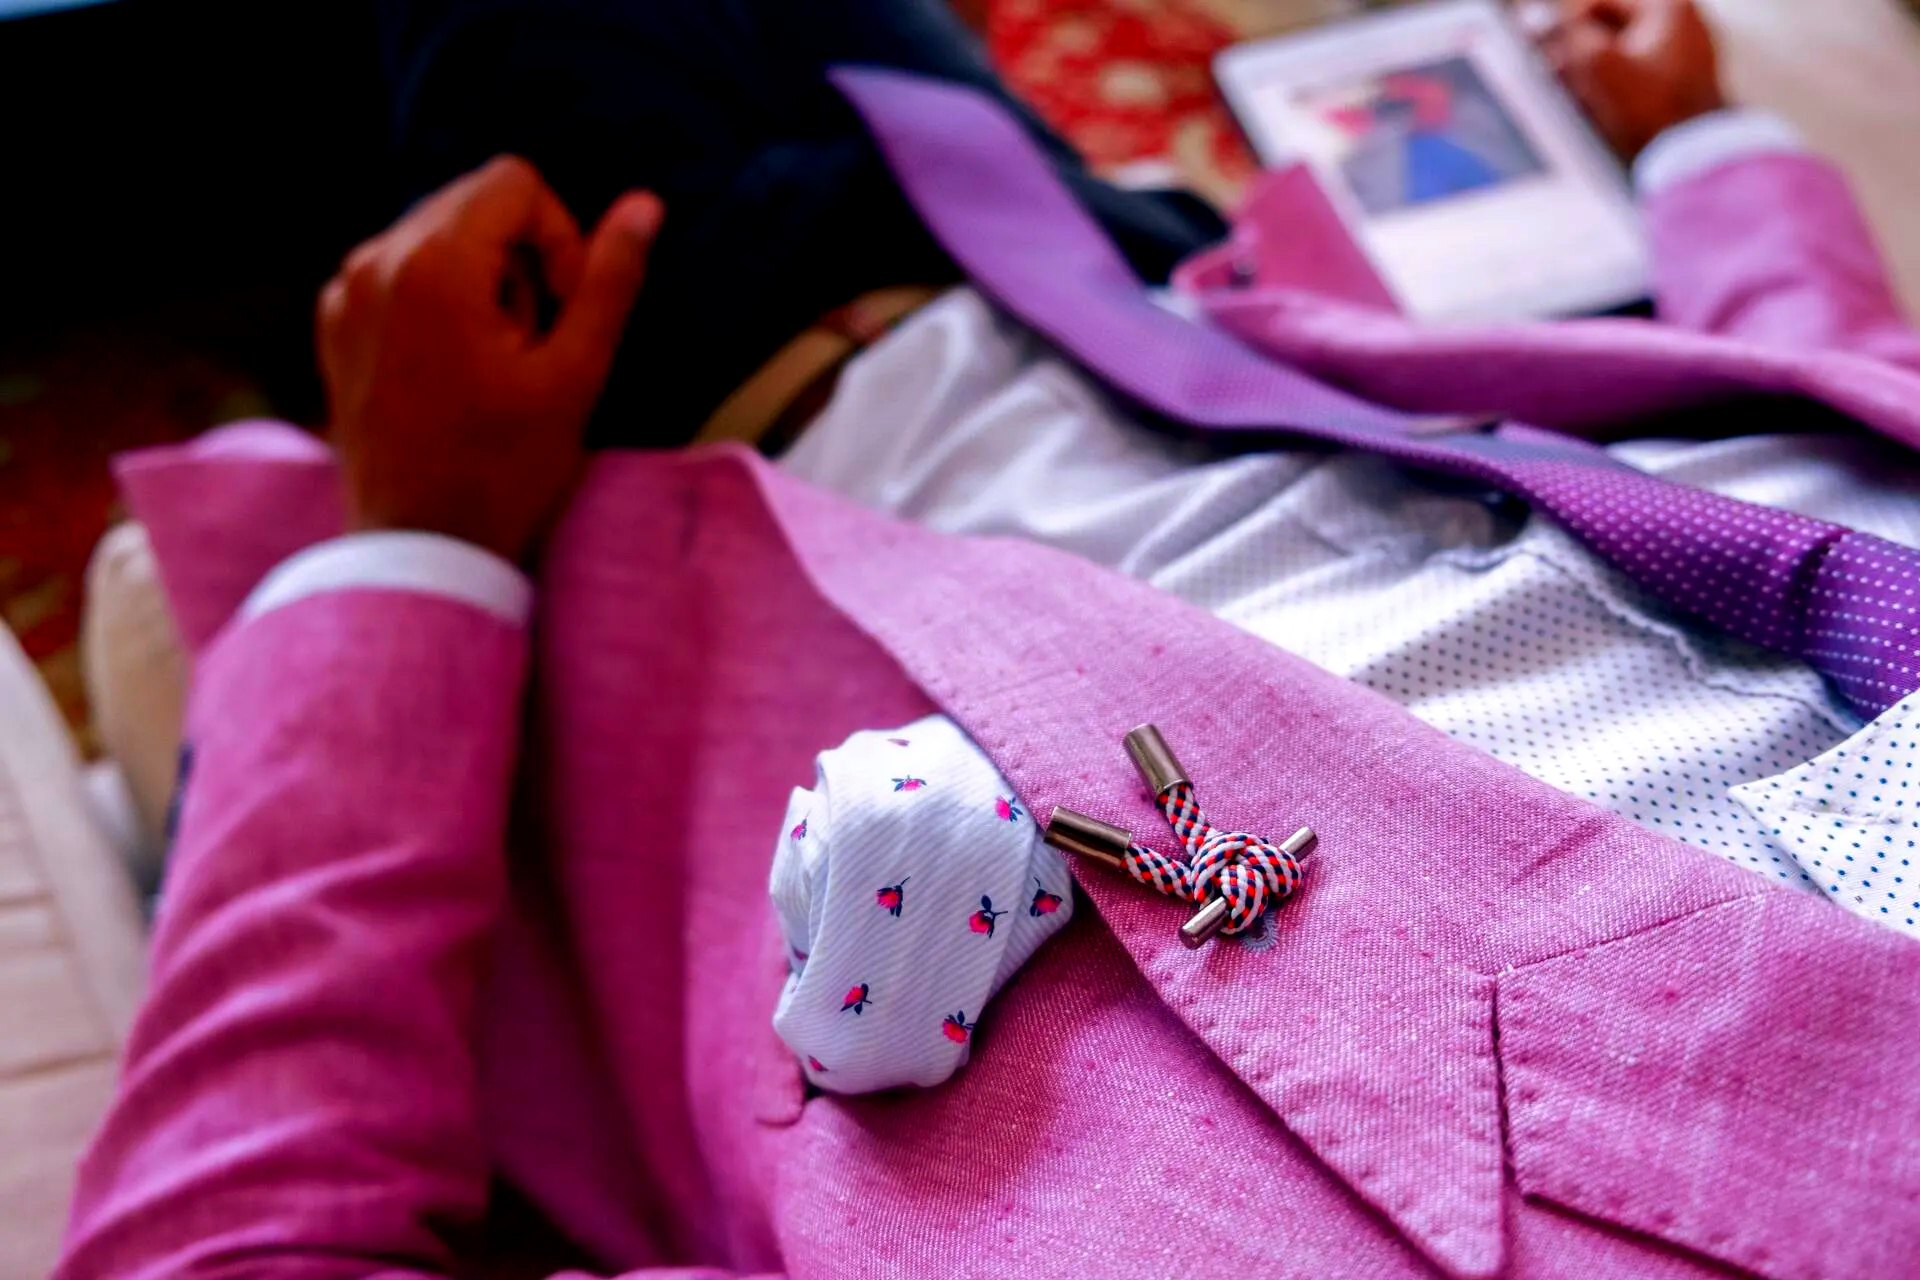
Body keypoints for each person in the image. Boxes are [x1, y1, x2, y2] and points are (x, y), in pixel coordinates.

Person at [56, 0, 1920, 1276]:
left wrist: (418, 553)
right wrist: (1711, 152)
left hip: (696, 438)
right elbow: (1849, 454)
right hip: (1138, 293)